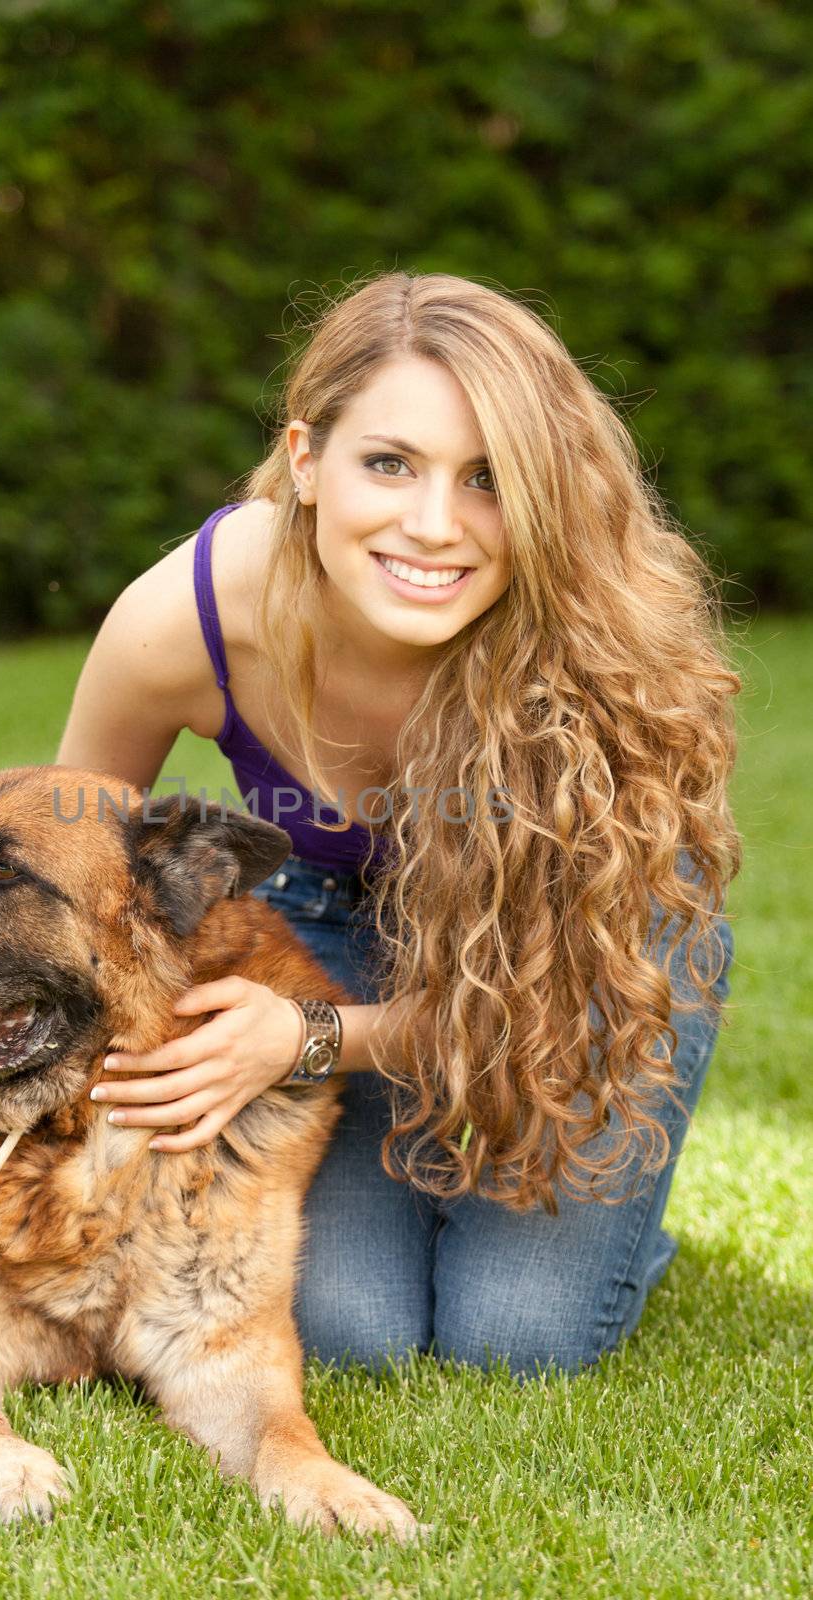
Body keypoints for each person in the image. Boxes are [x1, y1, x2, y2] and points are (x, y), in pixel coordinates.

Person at [58, 270, 741, 1378]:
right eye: (389, 463)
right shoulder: (185, 619)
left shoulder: (592, 642)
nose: (433, 526)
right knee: (348, 1333)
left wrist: (303, 1039)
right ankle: (429, 1189)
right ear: (305, 461)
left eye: (486, 479)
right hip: (325, 923)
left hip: (578, 961)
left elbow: (552, 990)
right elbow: (69, 868)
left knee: (512, 1339)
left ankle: (584, 1211)